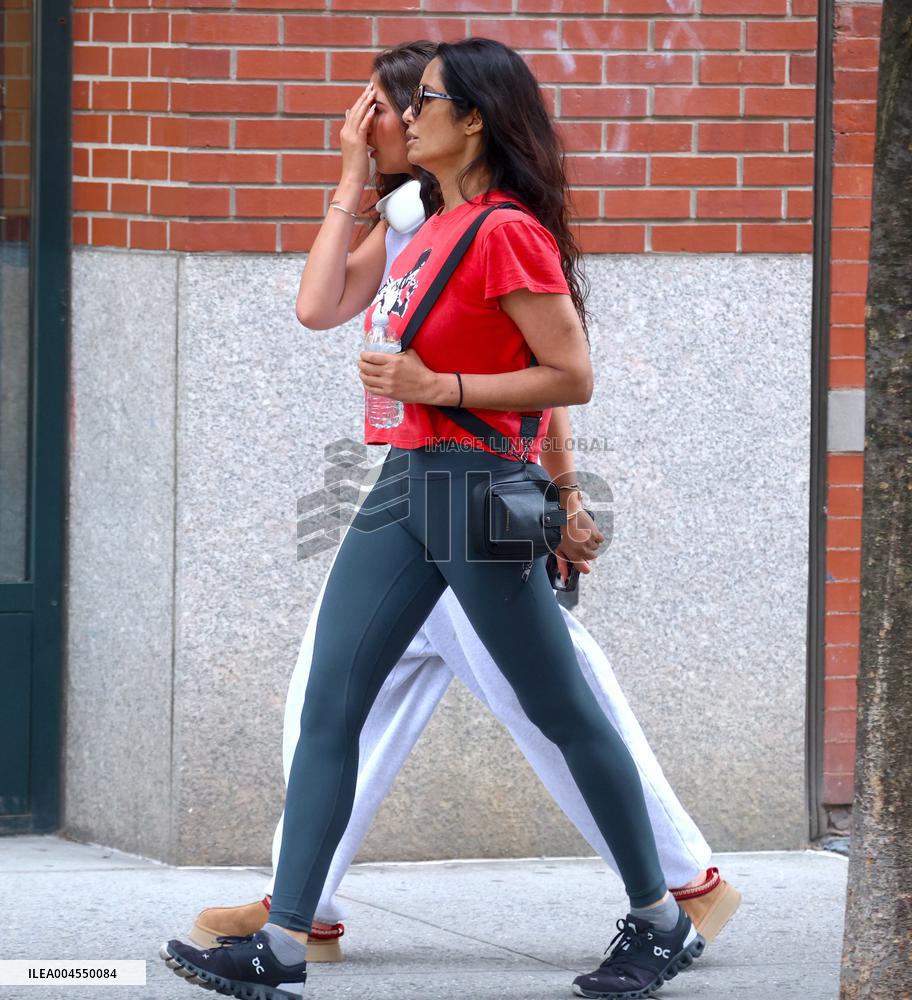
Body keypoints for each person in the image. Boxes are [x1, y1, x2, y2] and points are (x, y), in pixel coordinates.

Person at [161, 39, 735, 1000]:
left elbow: (571, 374)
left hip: (473, 489)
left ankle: (662, 917)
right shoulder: (425, 226)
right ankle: (287, 939)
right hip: (405, 481)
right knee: (329, 705)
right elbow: (322, 307)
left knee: (561, 709)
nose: (405, 113)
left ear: (473, 119)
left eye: (424, 100)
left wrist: (450, 391)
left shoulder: (506, 229)